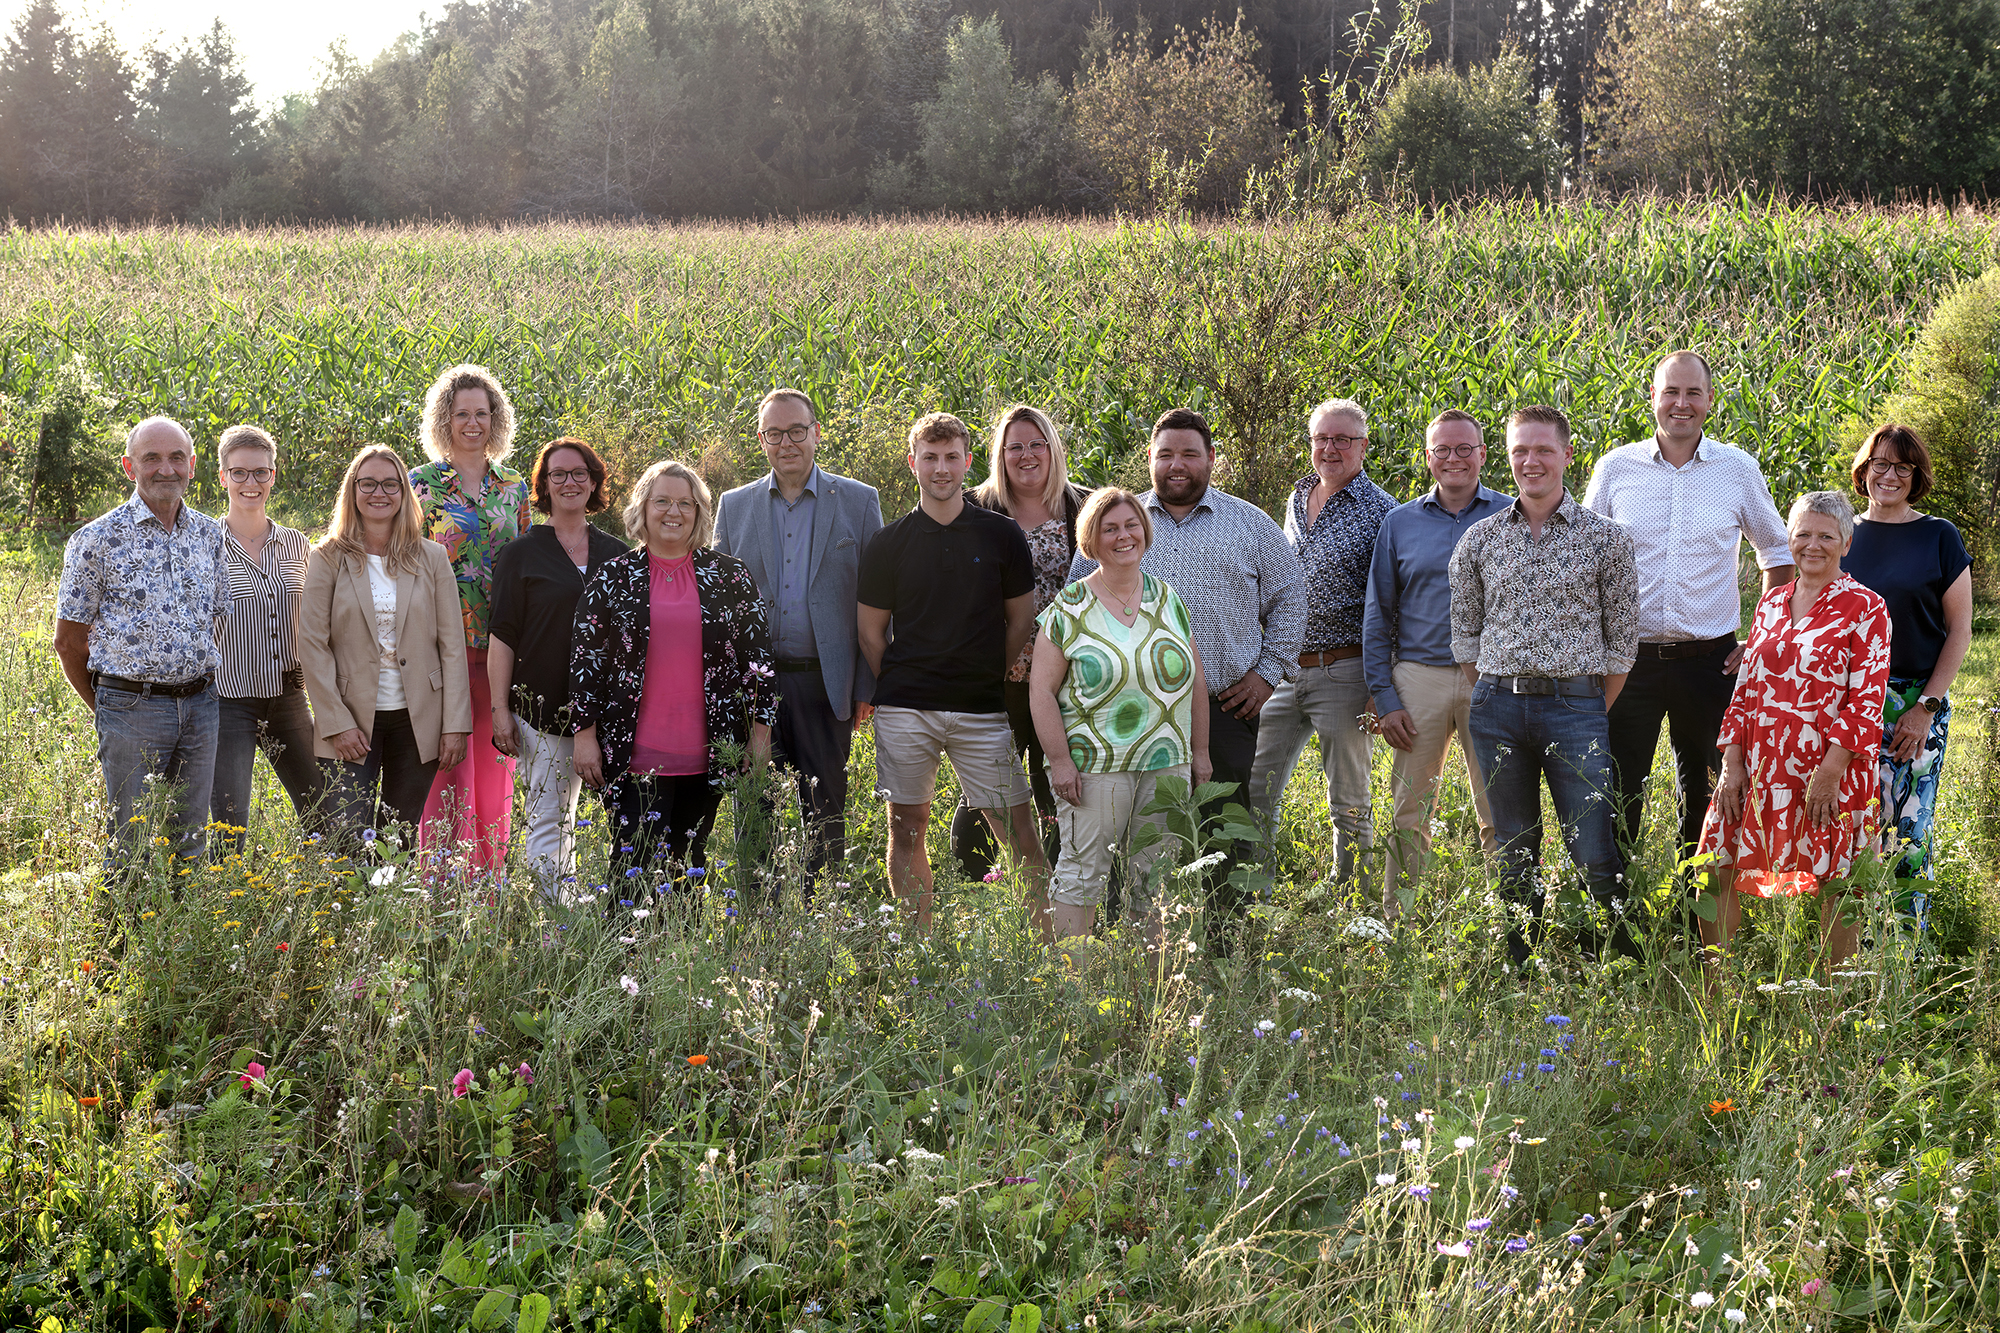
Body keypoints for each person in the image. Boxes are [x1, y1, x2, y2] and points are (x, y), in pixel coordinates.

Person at [1068, 408, 1304, 936]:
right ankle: (1123, 942)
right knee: (1123, 828)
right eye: (1166, 454)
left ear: (1211, 459)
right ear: (1150, 459)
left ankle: (1227, 943)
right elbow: (1075, 604)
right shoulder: (1120, 521)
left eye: (1190, 453)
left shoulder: (1249, 523)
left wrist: (1267, 673)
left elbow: (1291, 595)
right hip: (1124, 715)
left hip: (1223, 706)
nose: (1178, 464)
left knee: (1224, 829)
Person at [1583, 351, 1793, 876]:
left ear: (1710, 401)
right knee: (1620, 787)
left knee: (1705, 791)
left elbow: (1777, 553)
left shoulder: (1737, 469)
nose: (1681, 403)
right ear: (1652, 398)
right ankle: (1620, 906)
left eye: (1693, 393)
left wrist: (1760, 637)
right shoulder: (1615, 469)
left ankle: (1693, 907)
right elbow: (1582, 557)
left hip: (1711, 661)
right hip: (1628, 661)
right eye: (1670, 392)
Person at [1450, 405, 1640, 965]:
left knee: (1591, 841)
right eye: (1519, 451)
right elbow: (1464, 634)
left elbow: (1622, 638)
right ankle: (1520, 958)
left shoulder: (1607, 539)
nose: (1530, 462)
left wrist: (1584, 704)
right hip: (1496, 709)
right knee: (1512, 843)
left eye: (1543, 450)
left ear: (1567, 455)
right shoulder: (1481, 539)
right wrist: (1493, 692)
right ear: (1507, 458)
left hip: (1576, 707)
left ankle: (1606, 957)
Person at [856, 413, 1050, 938]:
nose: (941, 468)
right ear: (913, 461)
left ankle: (1047, 952)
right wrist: (904, 683)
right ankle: (920, 951)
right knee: (907, 829)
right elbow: (872, 635)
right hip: (905, 709)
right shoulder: (888, 543)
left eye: (951, 457)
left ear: (967, 461)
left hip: (982, 708)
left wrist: (983, 673)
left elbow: (1021, 620)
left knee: (1018, 833)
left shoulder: (1001, 534)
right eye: (930, 456)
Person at [1699, 492, 1891, 970]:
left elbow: (1867, 699)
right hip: (1760, 765)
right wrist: (1732, 761)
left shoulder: (1866, 608)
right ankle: (1717, 991)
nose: (1813, 545)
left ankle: (1832, 1002)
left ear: (1846, 542)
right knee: (1713, 870)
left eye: (1826, 535)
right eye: (1803, 533)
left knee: (1839, 881)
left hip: (1829, 768)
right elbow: (1745, 689)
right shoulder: (1769, 603)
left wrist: (1831, 772)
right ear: (1789, 539)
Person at [569, 461, 777, 895]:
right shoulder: (613, 577)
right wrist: (583, 735)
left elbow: (758, 659)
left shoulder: (730, 576)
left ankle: (678, 960)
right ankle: (624, 958)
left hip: (708, 751)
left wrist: (760, 731)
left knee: (689, 866)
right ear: (643, 508)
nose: (673, 511)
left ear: (700, 512)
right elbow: (586, 659)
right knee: (632, 863)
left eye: (685, 503)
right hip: (632, 753)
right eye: (662, 500)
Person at [712, 389, 883, 894]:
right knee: (755, 808)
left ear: (816, 432)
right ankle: (759, 922)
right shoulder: (735, 505)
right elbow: (720, 606)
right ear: (761, 439)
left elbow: (875, 602)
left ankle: (819, 920)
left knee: (825, 809)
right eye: (774, 433)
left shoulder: (858, 500)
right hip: (756, 689)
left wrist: (867, 685)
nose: (786, 442)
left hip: (825, 682)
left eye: (796, 431)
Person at [1029, 488, 1210, 954]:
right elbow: (1041, 692)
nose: (1123, 536)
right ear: (1091, 539)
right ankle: (1076, 990)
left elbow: (1194, 681)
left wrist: (1201, 753)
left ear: (1144, 533)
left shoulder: (1168, 599)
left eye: (1131, 525)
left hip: (1166, 759)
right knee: (1084, 873)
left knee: (1156, 876)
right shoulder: (1068, 609)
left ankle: (1149, 987)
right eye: (1110, 528)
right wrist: (1060, 760)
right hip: (1094, 766)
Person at [53, 416, 231, 861]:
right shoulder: (95, 539)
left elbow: (214, 617)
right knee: (131, 847)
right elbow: (69, 641)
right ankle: (126, 929)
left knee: (189, 839)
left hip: (202, 707)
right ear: (130, 467)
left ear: (192, 465)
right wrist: (109, 707)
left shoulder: (211, 534)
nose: (165, 469)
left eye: (176, 458)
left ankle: (182, 928)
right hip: (131, 709)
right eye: (151, 458)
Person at [1361, 409, 1506, 915]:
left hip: (1492, 677)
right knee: (1409, 809)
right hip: (1418, 678)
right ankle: (1396, 919)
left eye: (1465, 448)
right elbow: (1378, 616)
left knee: (1499, 805)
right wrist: (1385, 697)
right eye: (1442, 450)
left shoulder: (1511, 516)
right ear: (1428, 459)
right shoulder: (1399, 524)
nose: (1454, 459)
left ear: (1483, 454)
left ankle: (1511, 920)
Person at [1247, 398, 1397, 886]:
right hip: (1284, 670)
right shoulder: (1296, 498)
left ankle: (1352, 906)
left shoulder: (1383, 513)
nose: (1330, 449)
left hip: (1345, 671)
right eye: (1321, 439)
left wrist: (1384, 683)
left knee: (1349, 801)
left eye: (1342, 439)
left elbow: (1394, 602)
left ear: (1363, 447)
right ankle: (1253, 893)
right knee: (1256, 787)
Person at [298, 446, 471, 841]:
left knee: (399, 839)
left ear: (404, 492)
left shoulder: (431, 557)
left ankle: (388, 903)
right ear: (353, 491)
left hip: (419, 719)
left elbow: (452, 646)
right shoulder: (327, 557)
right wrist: (336, 722)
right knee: (347, 837)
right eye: (369, 483)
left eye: (391, 484)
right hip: (352, 720)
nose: (380, 493)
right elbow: (311, 644)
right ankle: (352, 905)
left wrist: (454, 725)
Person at [488, 438, 630, 898]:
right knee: (550, 817)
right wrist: (500, 710)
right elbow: (503, 638)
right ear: (543, 486)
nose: (569, 482)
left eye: (579, 473)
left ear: (594, 482)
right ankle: (557, 925)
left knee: (627, 818)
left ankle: (623, 915)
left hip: (613, 714)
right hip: (542, 709)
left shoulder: (620, 553)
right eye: (558, 475)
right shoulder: (521, 554)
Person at [954, 404, 1093, 873]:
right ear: (1000, 454)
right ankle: (977, 878)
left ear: (1054, 450)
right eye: (1016, 446)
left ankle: (1057, 879)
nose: (1027, 454)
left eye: (1038, 444)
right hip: (998, 672)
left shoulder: (1085, 507)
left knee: (1060, 780)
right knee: (988, 781)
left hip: (1070, 677)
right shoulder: (973, 508)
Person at [409, 363, 532, 872]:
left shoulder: (514, 487)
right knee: (447, 772)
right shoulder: (420, 485)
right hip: (443, 649)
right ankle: (439, 890)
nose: (473, 423)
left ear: (495, 419)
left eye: (482, 413)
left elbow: (524, 563)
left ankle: (489, 889)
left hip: (500, 649)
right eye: (462, 413)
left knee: (494, 776)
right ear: (445, 419)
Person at [1841, 424, 1973, 880]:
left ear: (1917, 476)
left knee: (1906, 833)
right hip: (1844, 700)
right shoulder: (1840, 535)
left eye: (1903, 466)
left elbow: (1959, 631)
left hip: (1914, 700)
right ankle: (1850, 945)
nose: (1890, 475)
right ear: (1865, 469)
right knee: (1850, 825)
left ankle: (1901, 945)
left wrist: (1925, 708)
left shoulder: (1939, 536)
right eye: (1881, 463)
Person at [207, 424, 325, 852]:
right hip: (227, 704)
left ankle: (326, 899)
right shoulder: (206, 543)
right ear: (223, 478)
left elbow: (317, 621)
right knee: (229, 828)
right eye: (239, 473)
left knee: (321, 813)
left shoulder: (297, 544)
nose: (250, 483)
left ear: (274, 475)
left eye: (260, 473)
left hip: (288, 699)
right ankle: (229, 905)